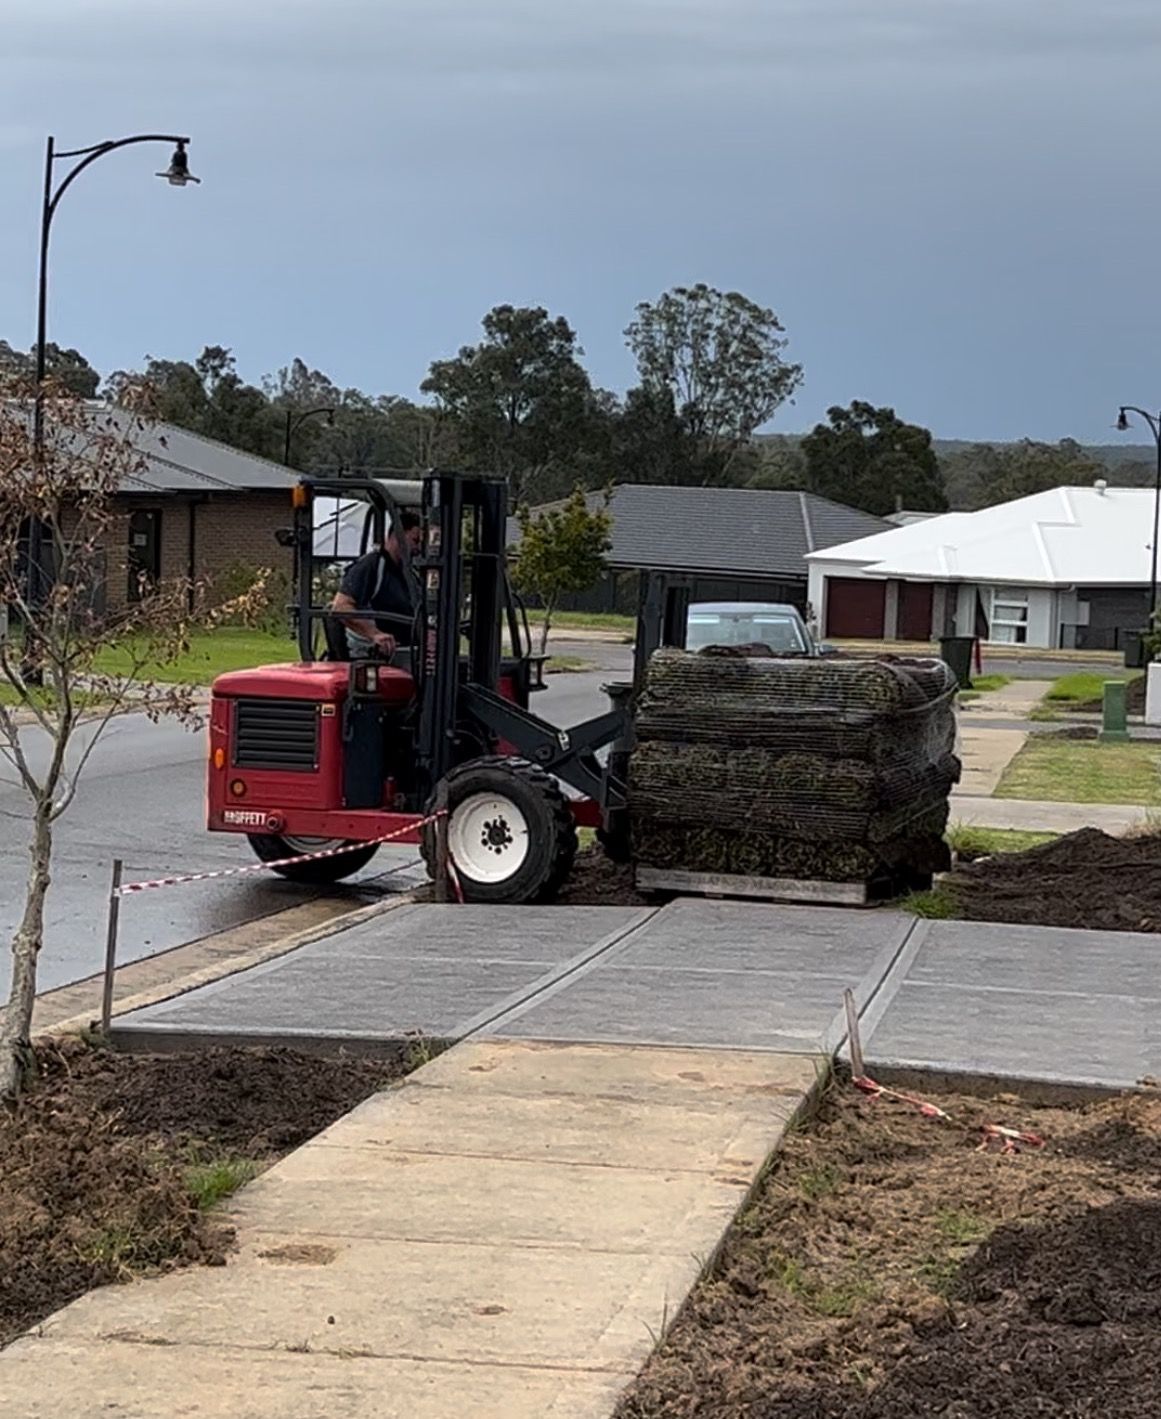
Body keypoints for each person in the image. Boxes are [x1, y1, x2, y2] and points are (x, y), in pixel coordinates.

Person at [330, 510, 422, 658]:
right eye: (415, 541)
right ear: (396, 536)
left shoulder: (411, 575)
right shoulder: (371, 566)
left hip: (407, 654)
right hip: (375, 657)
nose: (418, 549)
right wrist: (375, 635)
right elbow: (340, 607)